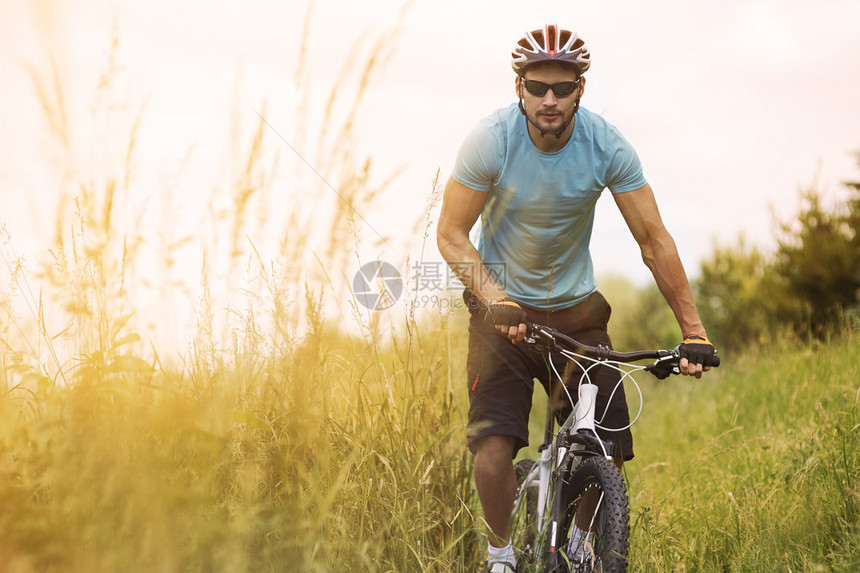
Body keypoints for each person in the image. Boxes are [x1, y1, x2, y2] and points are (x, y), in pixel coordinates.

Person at [436, 25, 716, 573]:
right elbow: (450, 233)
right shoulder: (490, 140)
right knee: (493, 445)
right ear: (519, 86)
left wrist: (694, 331)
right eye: (537, 86)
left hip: (576, 313)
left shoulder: (606, 145)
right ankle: (500, 555)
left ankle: (583, 541)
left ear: (580, 89)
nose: (549, 99)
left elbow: (654, 241)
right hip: (502, 313)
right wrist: (494, 297)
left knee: (605, 443)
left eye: (562, 88)